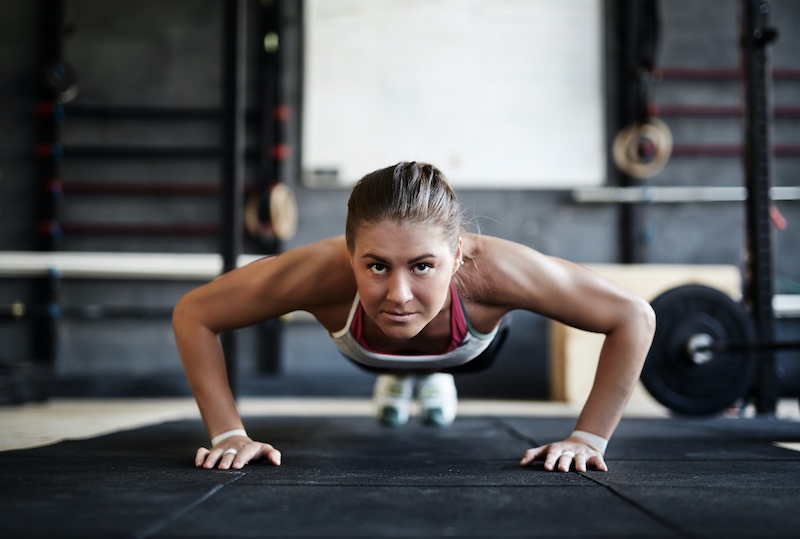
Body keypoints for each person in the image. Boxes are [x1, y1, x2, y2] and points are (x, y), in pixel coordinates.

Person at [172, 162, 656, 474]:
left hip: (469, 354)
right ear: (350, 254)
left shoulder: (501, 271)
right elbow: (195, 313)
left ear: (458, 255)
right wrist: (228, 432)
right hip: (369, 352)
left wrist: (587, 438)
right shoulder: (318, 273)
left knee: (444, 377)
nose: (399, 295)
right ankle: (401, 378)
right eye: (377, 266)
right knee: (390, 364)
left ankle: (431, 378)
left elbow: (634, 316)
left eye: (423, 266)